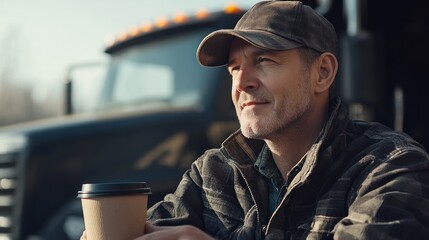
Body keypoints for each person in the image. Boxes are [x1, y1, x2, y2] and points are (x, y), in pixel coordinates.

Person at [82, 1, 429, 239]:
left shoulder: (388, 167)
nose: (241, 81)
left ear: (322, 72)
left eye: (264, 60)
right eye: (234, 67)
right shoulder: (212, 175)